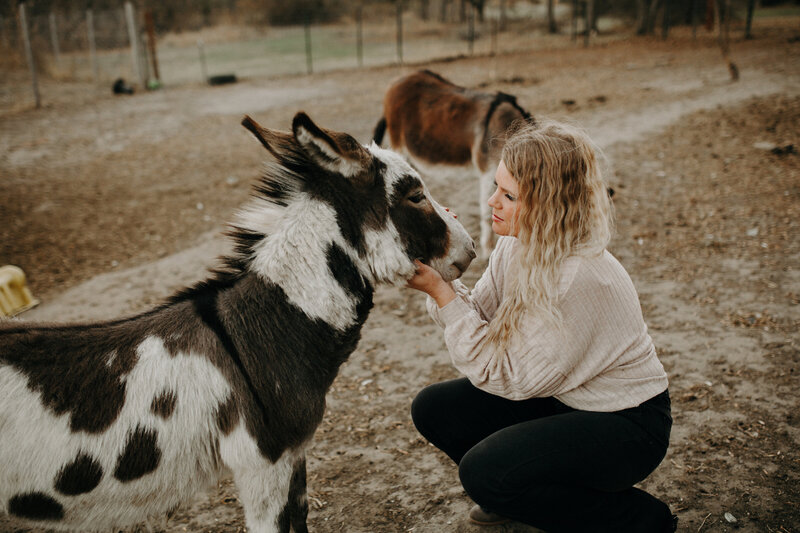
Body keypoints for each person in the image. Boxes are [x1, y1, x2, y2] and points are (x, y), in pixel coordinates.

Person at [407, 119, 676, 532]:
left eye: (509, 195)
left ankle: (641, 521)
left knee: (484, 473)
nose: (492, 201)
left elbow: (507, 376)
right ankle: (525, 495)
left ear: (547, 204)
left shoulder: (579, 276)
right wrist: (441, 276)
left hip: (627, 424)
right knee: (435, 408)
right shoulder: (517, 244)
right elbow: (482, 321)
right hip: (564, 397)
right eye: (497, 187)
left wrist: (444, 295)